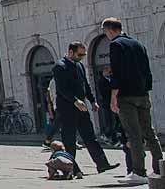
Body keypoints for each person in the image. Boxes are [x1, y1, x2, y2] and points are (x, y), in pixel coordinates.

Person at [103, 17, 161, 185]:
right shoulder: (138, 44)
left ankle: (139, 171)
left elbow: (117, 73)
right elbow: (147, 71)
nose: (107, 36)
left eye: (106, 33)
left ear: (110, 30)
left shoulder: (116, 45)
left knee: (134, 134)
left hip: (126, 96)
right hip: (142, 94)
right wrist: (145, 91)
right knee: (149, 133)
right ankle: (159, 168)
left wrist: (114, 97)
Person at [51, 41, 118, 178]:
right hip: (67, 110)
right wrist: (75, 101)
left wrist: (92, 101)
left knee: (90, 137)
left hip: (81, 109)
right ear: (70, 52)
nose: (82, 57)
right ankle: (73, 169)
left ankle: (102, 164)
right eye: (79, 54)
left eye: (84, 54)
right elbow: (62, 89)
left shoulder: (80, 65)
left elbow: (85, 85)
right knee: (69, 141)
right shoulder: (60, 67)